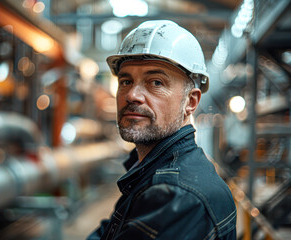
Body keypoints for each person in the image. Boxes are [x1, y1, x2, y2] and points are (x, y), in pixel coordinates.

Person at [87, 20, 236, 240]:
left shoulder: (177, 195)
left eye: (155, 82)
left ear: (190, 102)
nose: (132, 95)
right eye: (126, 81)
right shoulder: (149, 170)